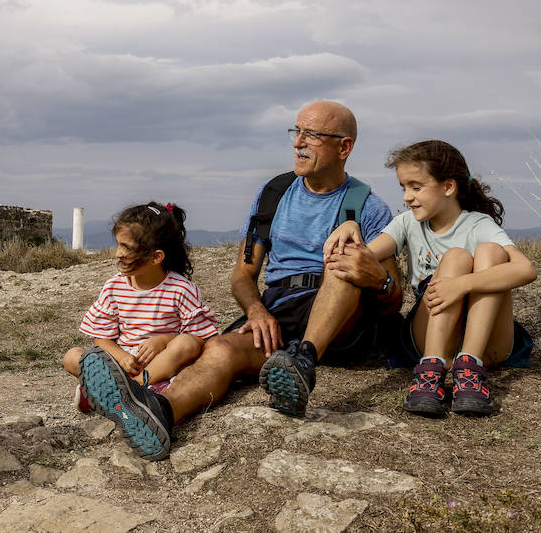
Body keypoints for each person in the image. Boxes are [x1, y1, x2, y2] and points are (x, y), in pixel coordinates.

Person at [78, 100, 398, 460]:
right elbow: (243, 275)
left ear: (344, 147)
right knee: (221, 349)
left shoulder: (368, 208)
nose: (298, 143)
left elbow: (394, 296)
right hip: (279, 311)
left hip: (341, 318)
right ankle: (159, 411)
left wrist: (379, 280)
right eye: (296, 132)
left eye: (312, 135)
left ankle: (303, 361)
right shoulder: (273, 195)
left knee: (342, 263)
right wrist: (257, 310)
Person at [328, 140, 536, 416]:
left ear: (448, 187)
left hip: (487, 343)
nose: (407, 197)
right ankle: (431, 371)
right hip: (431, 335)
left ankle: (470, 369)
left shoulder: (478, 224)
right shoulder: (407, 223)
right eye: (403, 187)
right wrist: (351, 224)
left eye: (416, 187)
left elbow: (526, 269)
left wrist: (462, 284)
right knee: (457, 258)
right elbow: (366, 255)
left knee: (491, 252)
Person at [65, 202, 218, 413]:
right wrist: (122, 357)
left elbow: (200, 337)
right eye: (118, 244)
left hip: (163, 364)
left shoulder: (181, 289)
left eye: (126, 247)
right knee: (72, 356)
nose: (118, 253)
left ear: (156, 256)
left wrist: (163, 341)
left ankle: (117, 393)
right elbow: (101, 339)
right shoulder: (114, 287)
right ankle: (132, 393)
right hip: (124, 362)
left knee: (186, 344)